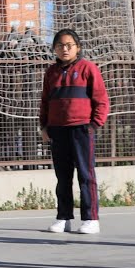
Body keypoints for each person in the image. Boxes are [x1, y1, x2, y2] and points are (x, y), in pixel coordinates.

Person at [39, 29, 109, 235]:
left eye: (69, 45)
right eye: (60, 45)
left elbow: (101, 100)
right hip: (57, 130)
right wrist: (44, 126)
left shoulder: (88, 68)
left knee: (86, 174)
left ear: (78, 48)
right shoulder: (51, 72)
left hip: (82, 129)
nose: (65, 49)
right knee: (62, 176)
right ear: (54, 49)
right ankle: (64, 217)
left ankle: (91, 219)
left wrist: (93, 125)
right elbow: (45, 102)